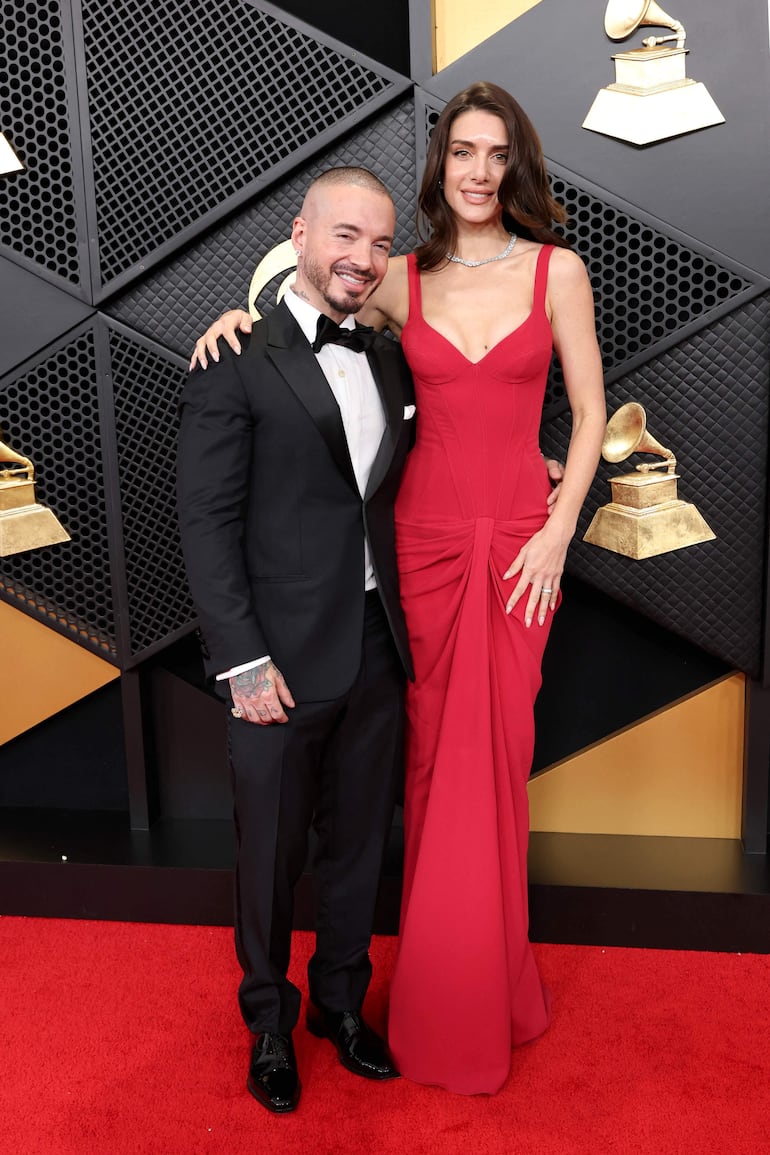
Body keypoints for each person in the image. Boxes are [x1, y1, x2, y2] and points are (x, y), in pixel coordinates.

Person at [190, 81, 605, 1095]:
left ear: (514, 166)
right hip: (409, 556)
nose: (475, 170)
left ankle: (480, 990)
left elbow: (590, 415)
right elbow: (304, 299)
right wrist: (229, 320)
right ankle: (361, 1004)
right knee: (416, 785)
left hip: (516, 553)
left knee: (491, 769)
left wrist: (555, 530)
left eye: (493, 154)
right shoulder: (397, 278)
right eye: (460, 151)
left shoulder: (558, 272)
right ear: (439, 164)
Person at [176, 167, 419, 1114]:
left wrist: (536, 463)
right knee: (271, 856)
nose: (363, 259)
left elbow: (437, 459)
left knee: (360, 844)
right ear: (302, 234)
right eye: (346, 236)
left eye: (381, 244)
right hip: (271, 657)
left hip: (375, 643)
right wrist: (240, 659)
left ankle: (339, 1007)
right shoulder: (232, 355)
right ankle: (269, 1025)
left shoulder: (391, 358)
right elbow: (205, 519)